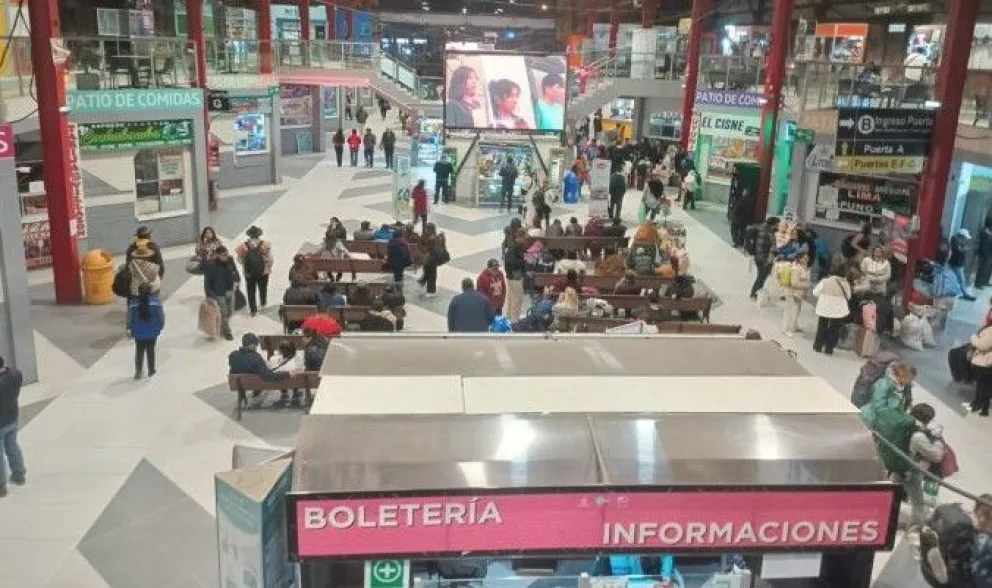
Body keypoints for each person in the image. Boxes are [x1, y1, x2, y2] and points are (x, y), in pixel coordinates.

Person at [228, 333, 291, 406]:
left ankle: (252, 394)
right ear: (252, 345)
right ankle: (284, 392)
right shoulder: (255, 358)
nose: (256, 346)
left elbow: (240, 365)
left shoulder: (233, 355)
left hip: (239, 384)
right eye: (255, 344)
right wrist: (286, 374)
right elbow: (268, 377)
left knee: (256, 372)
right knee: (277, 373)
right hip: (255, 383)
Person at [860, 361, 917, 428]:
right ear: (902, 376)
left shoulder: (901, 386)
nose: (911, 382)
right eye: (910, 379)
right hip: (871, 417)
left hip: (885, 418)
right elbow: (878, 406)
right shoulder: (884, 385)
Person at [812, 266, 853, 355]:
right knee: (835, 329)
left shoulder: (825, 281)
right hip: (839, 309)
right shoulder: (845, 284)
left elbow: (815, 293)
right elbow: (849, 296)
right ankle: (829, 348)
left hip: (824, 307)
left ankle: (818, 346)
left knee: (822, 326)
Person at [0, 355, 25, 497]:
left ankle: (1, 485)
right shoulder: (15, 374)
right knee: (12, 446)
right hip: (12, 418)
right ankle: (18, 472)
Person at [204, 246, 240, 341]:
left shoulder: (230, 260)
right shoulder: (211, 265)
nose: (226, 257)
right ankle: (227, 331)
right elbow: (207, 282)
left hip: (230, 290)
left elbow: (235, 271)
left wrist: (237, 280)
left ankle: (222, 324)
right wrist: (210, 296)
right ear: (217, 255)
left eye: (227, 254)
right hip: (219, 293)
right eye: (223, 255)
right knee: (224, 312)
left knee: (230, 311)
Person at [235, 226, 273, 317]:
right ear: (259, 234)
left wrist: (246, 263)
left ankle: (253, 309)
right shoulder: (266, 244)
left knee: (251, 290)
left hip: (249, 273)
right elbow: (270, 259)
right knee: (263, 288)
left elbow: (239, 260)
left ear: (249, 235)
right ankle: (263, 302)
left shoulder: (242, 246)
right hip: (263, 272)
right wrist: (268, 267)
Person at [129, 283, 164, 379]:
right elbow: (161, 317)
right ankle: (151, 370)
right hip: (152, 331)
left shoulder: (133, 304)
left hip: (138, 332)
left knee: (139, 350)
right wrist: (160, 327)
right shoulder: (156, 302)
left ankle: (138, 371)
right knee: (150, 349)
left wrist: (130, 329)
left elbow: (130, 319)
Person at [781, 251, 811, 336]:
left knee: (796, 310)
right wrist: (806, 285)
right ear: (800, 259)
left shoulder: (800, 267)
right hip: (792, 293)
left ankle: (794, 326)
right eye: (805, 258)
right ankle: (785, 329)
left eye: (807, 258)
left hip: (797, 293)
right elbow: (794, 283)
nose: (807, 260)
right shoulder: (796, 269)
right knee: (790, 311)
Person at [750, 217, 781, 299]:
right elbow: (763, 247)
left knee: (761, 276)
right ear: (773, 225)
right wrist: (768, 259)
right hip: (764, 258)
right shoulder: (767, 233)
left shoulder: (763, 230)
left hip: (760, 257)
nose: (779, 226)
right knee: (761, 277)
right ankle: (754, 293)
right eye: (778, 224)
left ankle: (758, 292)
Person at [127, 228, 163, 296]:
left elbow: (127, 265)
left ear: (138, 236)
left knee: (134, 300)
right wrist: (160, 277)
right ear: (148, 236)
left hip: (136, 284)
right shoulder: (153, 246)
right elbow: (160, 264)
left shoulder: (131, 247)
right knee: (154, 297)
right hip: (152, 282)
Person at [969, 320, 992, 417]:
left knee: (983, 386)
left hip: (984, 362)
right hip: (986, 362)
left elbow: (983, 345)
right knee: (984, 385)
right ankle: (979, 405)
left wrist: (973, 337)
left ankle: (981, 407)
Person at [503, 229, 527, 321]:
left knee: (511, 299)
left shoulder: (514, 246)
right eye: (524, 237)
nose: (525, 239)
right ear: (518, 238)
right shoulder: (516, 248)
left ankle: (509, 318)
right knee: (517, 300)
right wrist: (524, 261)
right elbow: (514, 263)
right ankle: (514, 321)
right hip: (515, 277)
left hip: (511, 276)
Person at [949, 229, 977, 301]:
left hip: (958, 263)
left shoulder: (958, 241)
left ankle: (960, 293)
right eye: (965, 238)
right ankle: (965, 294)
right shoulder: (955, 240)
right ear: (961, 236)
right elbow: (957, 250)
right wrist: (964, 249)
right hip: (956, 263)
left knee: (958, 279)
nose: (966, 240)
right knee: (961, 280)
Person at [386, 227, 412, 293]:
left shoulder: (391, 242)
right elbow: (408, 253)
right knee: (399, 274)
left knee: (397, 274)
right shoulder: (404, 242)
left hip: (393, 262)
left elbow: (389, 254)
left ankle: (397, 286)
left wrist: (389, 261)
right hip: (403, 262)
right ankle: (399, 288)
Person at [976, 218, 992, 288]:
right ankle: (978, 283)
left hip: (989, 252)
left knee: (987, 268)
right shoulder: (984, 231)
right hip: (984, 253)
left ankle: (984, 281)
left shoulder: (989, 231)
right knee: (981, 268)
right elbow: (982, 243)